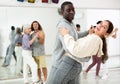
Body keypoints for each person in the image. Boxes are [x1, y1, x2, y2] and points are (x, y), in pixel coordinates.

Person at [47, 1, 89, 84]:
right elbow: (69, 47)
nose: (72, 12)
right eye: (68, 10)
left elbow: (76, 36)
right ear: (62, 12)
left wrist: (88, 32)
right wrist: (85, 58)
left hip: (72, 62)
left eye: (73, 9)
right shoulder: (63, 25)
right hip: (60, 63)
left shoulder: (71, 24)